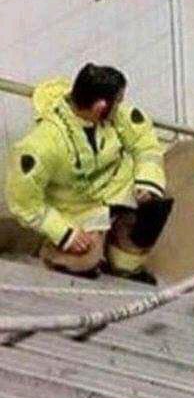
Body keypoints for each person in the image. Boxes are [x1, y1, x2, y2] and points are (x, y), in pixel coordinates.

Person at [4, 64, 172, 284]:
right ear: (100, 107)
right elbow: (24, 203)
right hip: (79, 208)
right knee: (83, 261)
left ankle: (124, 266)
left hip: (117, 189)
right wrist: (64, 233)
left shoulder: (117, 115)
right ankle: (53, 256)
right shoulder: (41, 146)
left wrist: (148, 181)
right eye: (118, 100)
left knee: (153, 209)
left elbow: (145, 144)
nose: (121, 106)